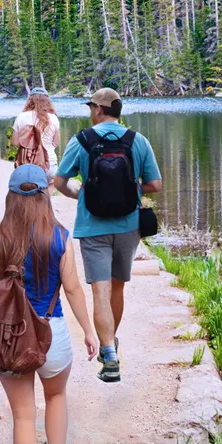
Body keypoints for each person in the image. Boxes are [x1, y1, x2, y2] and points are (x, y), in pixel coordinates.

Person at [0, 164, 99, 444]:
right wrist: (89, 332)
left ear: (11, 197)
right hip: (51, 331)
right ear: (45, 195)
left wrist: (5, 308)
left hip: (10, 338)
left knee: (23, 415)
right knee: (56, 396)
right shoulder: (59, 236)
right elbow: (73, 288)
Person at [51, 88, 162, 383]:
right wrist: (132, 188)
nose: (90, 111)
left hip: (93, 227)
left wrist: (81, 193)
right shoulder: (137, 140)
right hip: (128, 227)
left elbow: (60, 181)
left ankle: (109, 352)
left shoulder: (82, 141)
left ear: (99, 110)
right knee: (116, 289)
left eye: (91, 107)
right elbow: (155, 184)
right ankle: (111, 341)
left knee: (99, 291)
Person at [11, 89, 61, 173]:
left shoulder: (21, 116)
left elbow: (15, 142)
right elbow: (56, 143)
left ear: (30, 101)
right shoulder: (53, 117)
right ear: (47, 101)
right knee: (49, 184)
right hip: (49, 163)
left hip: (27, 164)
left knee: (27, 185)